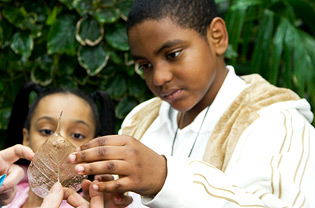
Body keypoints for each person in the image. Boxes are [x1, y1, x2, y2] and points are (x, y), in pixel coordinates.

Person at [69, 0, 315, 207]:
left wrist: (164, 179)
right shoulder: (141, 119)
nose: (159, 78)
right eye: (145, 65)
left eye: (172, 54)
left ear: (217, 37)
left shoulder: (276, 121)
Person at [3, 82, 131, 208]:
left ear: (96, 147)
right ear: (26, 138)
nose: (59, 142)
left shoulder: (91, 205)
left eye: (77, 135)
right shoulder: (5, 193)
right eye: (47, 131)